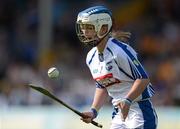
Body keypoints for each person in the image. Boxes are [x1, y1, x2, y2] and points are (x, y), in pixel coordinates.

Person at [75, 5, 158, 129]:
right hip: (119, 113)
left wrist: (128, 100)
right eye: (83, 28)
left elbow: (143, 79)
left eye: (89, 28)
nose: (84, 32)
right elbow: (102, 85)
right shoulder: (91, 57)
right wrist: (94, 111)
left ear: (103, 29)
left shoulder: (119, 52)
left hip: (139, 111)